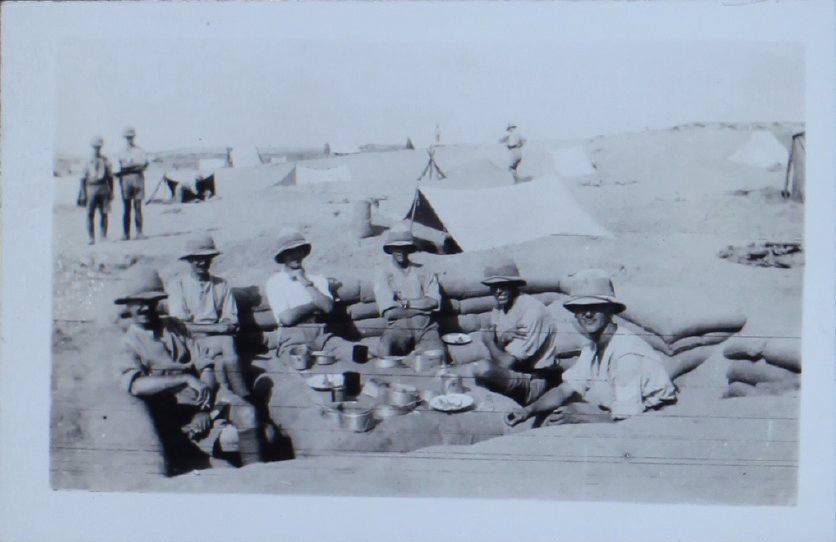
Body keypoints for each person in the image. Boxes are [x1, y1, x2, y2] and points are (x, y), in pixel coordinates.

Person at [116, 266, 261, 475]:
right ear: (128, 305)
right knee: (232, 441)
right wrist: (184, 379)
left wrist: (204, 409)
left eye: (150, 301)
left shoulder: (174, 326)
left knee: (249, 415)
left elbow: (205, 364)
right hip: (177, 413)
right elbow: (137, 385)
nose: (145, 308)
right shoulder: (128, 342)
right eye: (138, 303)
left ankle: (256, 477)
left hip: (206, 399)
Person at [505, 269, 677, 427]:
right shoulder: (593, 347)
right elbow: (565, 390)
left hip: (654, 422)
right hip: (623, 415)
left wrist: (579, 417)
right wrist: (527, 410)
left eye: (595, 306)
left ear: (610, 309)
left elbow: (629, 420)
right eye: (581, 308)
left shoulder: (626, 353)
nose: (587, 314)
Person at [164, 235, 251, 401]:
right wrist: (216, 328)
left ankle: (227, 402)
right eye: (196, 259)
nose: (202, 262)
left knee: (220, 362)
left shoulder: (221, 284)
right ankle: (244, 394)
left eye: (206, 258)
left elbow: (231, 321)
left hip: (216, 341)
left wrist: (224, 327)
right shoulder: (178, 285)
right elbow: (179, 325)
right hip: (190, 340)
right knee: (226, 342)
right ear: (189, 260)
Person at [265, 227, 366, 365]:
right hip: (293, 336)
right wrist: (314, 305)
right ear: (283, 257)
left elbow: (328, 308)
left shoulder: (317, 280)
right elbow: (287, 318)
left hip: (322, 333)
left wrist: (304, 281)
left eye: (299, 250)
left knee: (356, 354)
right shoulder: (275, 282)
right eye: (290, 252)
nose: (296, 255)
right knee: (301, 363)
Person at [472, 258, 559, 406]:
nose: (498, 291)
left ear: (515, 285)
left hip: (536, 380)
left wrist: (488, 341)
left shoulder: (533, 311)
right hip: (515, 371)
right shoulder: (499, 308)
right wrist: (501, 340)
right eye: (493, 286)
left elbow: (505, 363)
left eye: (503, 285)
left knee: (482, 369)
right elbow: (499, 352)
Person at [373, 229, 445, 359]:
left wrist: (405, 303)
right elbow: (390, 313)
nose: (401, 251)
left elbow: (434, 302)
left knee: (438, 357)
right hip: (399, 326)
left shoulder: (424, 271)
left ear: (410, 248)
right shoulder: (383, 274)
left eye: (405, 247)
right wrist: (423, 309)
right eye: (396, 247)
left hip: (426, 326)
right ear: (390, 249)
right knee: (385, 350)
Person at [78, 136, 114, 245]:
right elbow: (82, 179)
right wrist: (83, 194)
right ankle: (91, 238)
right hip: (91, 187)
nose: (97, 149)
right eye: (95, 147)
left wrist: (111, 192)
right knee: (90, 214)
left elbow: (110, 177)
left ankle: (103, 236)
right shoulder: (87, 161)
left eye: (99, 147)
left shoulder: (105, 160)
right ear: (92, 147)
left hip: (103, 187)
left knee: (104, 213)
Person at [116, 126, 149, 240]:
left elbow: (143, 165)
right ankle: (126, 234)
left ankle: (139, 232)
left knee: (138, 207)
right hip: (125, 180)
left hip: (138, 179)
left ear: (134, 137)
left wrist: (130, 167)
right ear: (125, 138)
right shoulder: (121, 151)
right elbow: (120, 167)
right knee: (126, 208)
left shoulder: (140, 150)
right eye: (127, 137)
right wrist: (134, 166)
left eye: (131, 137)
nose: (129, 139)